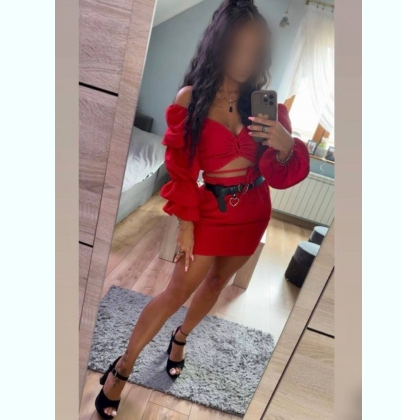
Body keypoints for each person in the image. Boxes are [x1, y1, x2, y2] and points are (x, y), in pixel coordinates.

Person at [95, 0, 310, 418]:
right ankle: (122, 368)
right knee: (176, 291)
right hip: (210, 211)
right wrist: (187, 226)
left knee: (216, 284)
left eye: (254, 50)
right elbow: (181, 171)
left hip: (253, 211)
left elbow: (279, 175)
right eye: (237, 48)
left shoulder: (266, 106)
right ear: (219, 45)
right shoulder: (192, 99)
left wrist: (287, 145)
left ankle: (181, 338)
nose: (245, 59)